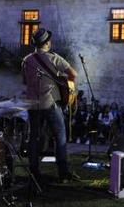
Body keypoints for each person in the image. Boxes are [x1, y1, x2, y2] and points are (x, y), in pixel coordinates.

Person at [21, 27, 80, 183]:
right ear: (47, 43)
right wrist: (59, 76)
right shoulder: (54, 58)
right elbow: (73, 74)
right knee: (60, 137)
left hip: (32, 104)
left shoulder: (26, 60)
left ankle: (34, 172)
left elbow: (25, 82)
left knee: (33, 138)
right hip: (50, 103)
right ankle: (63, 173)